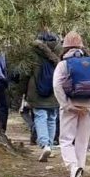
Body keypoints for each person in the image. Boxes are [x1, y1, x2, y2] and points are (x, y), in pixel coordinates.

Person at [53, 32, 90, 177]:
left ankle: (73, 168)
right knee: (82, 142)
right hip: (88, 105)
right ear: (81, 47)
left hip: (70, 104)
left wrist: (66, 104)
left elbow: (56, 85)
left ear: (65, 47)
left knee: (66, 140)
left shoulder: (63, 64)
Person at [21, 32, 61, 162]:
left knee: (40, 117)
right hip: (54, 92)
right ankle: (50, 145)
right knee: (52, 118)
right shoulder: (58, 54)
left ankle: (45, 145)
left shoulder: (32, 55)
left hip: (36, 92)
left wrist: (22, 92)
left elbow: (25, 75)